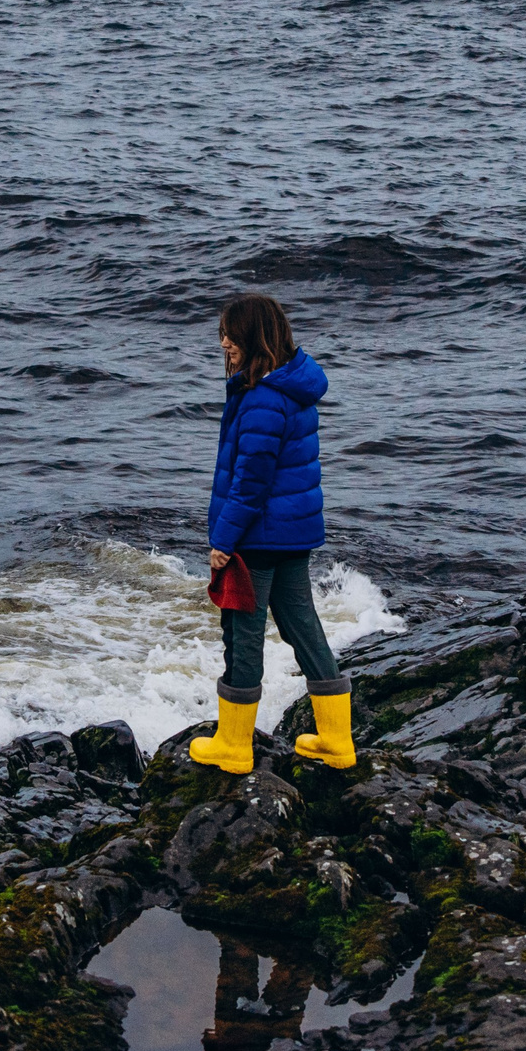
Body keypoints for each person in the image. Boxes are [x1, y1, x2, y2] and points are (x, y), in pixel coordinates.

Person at [191, 293, 356, 774]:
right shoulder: (293, 387)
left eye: (230, 334)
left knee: (242, 633)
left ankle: (235, 746)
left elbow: (250, 484)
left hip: (257, 539)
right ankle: (336, 741)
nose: (223, 343)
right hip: (292, 534)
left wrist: (223, 542)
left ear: (254, 336)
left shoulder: (263, 399)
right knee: (304, 629)